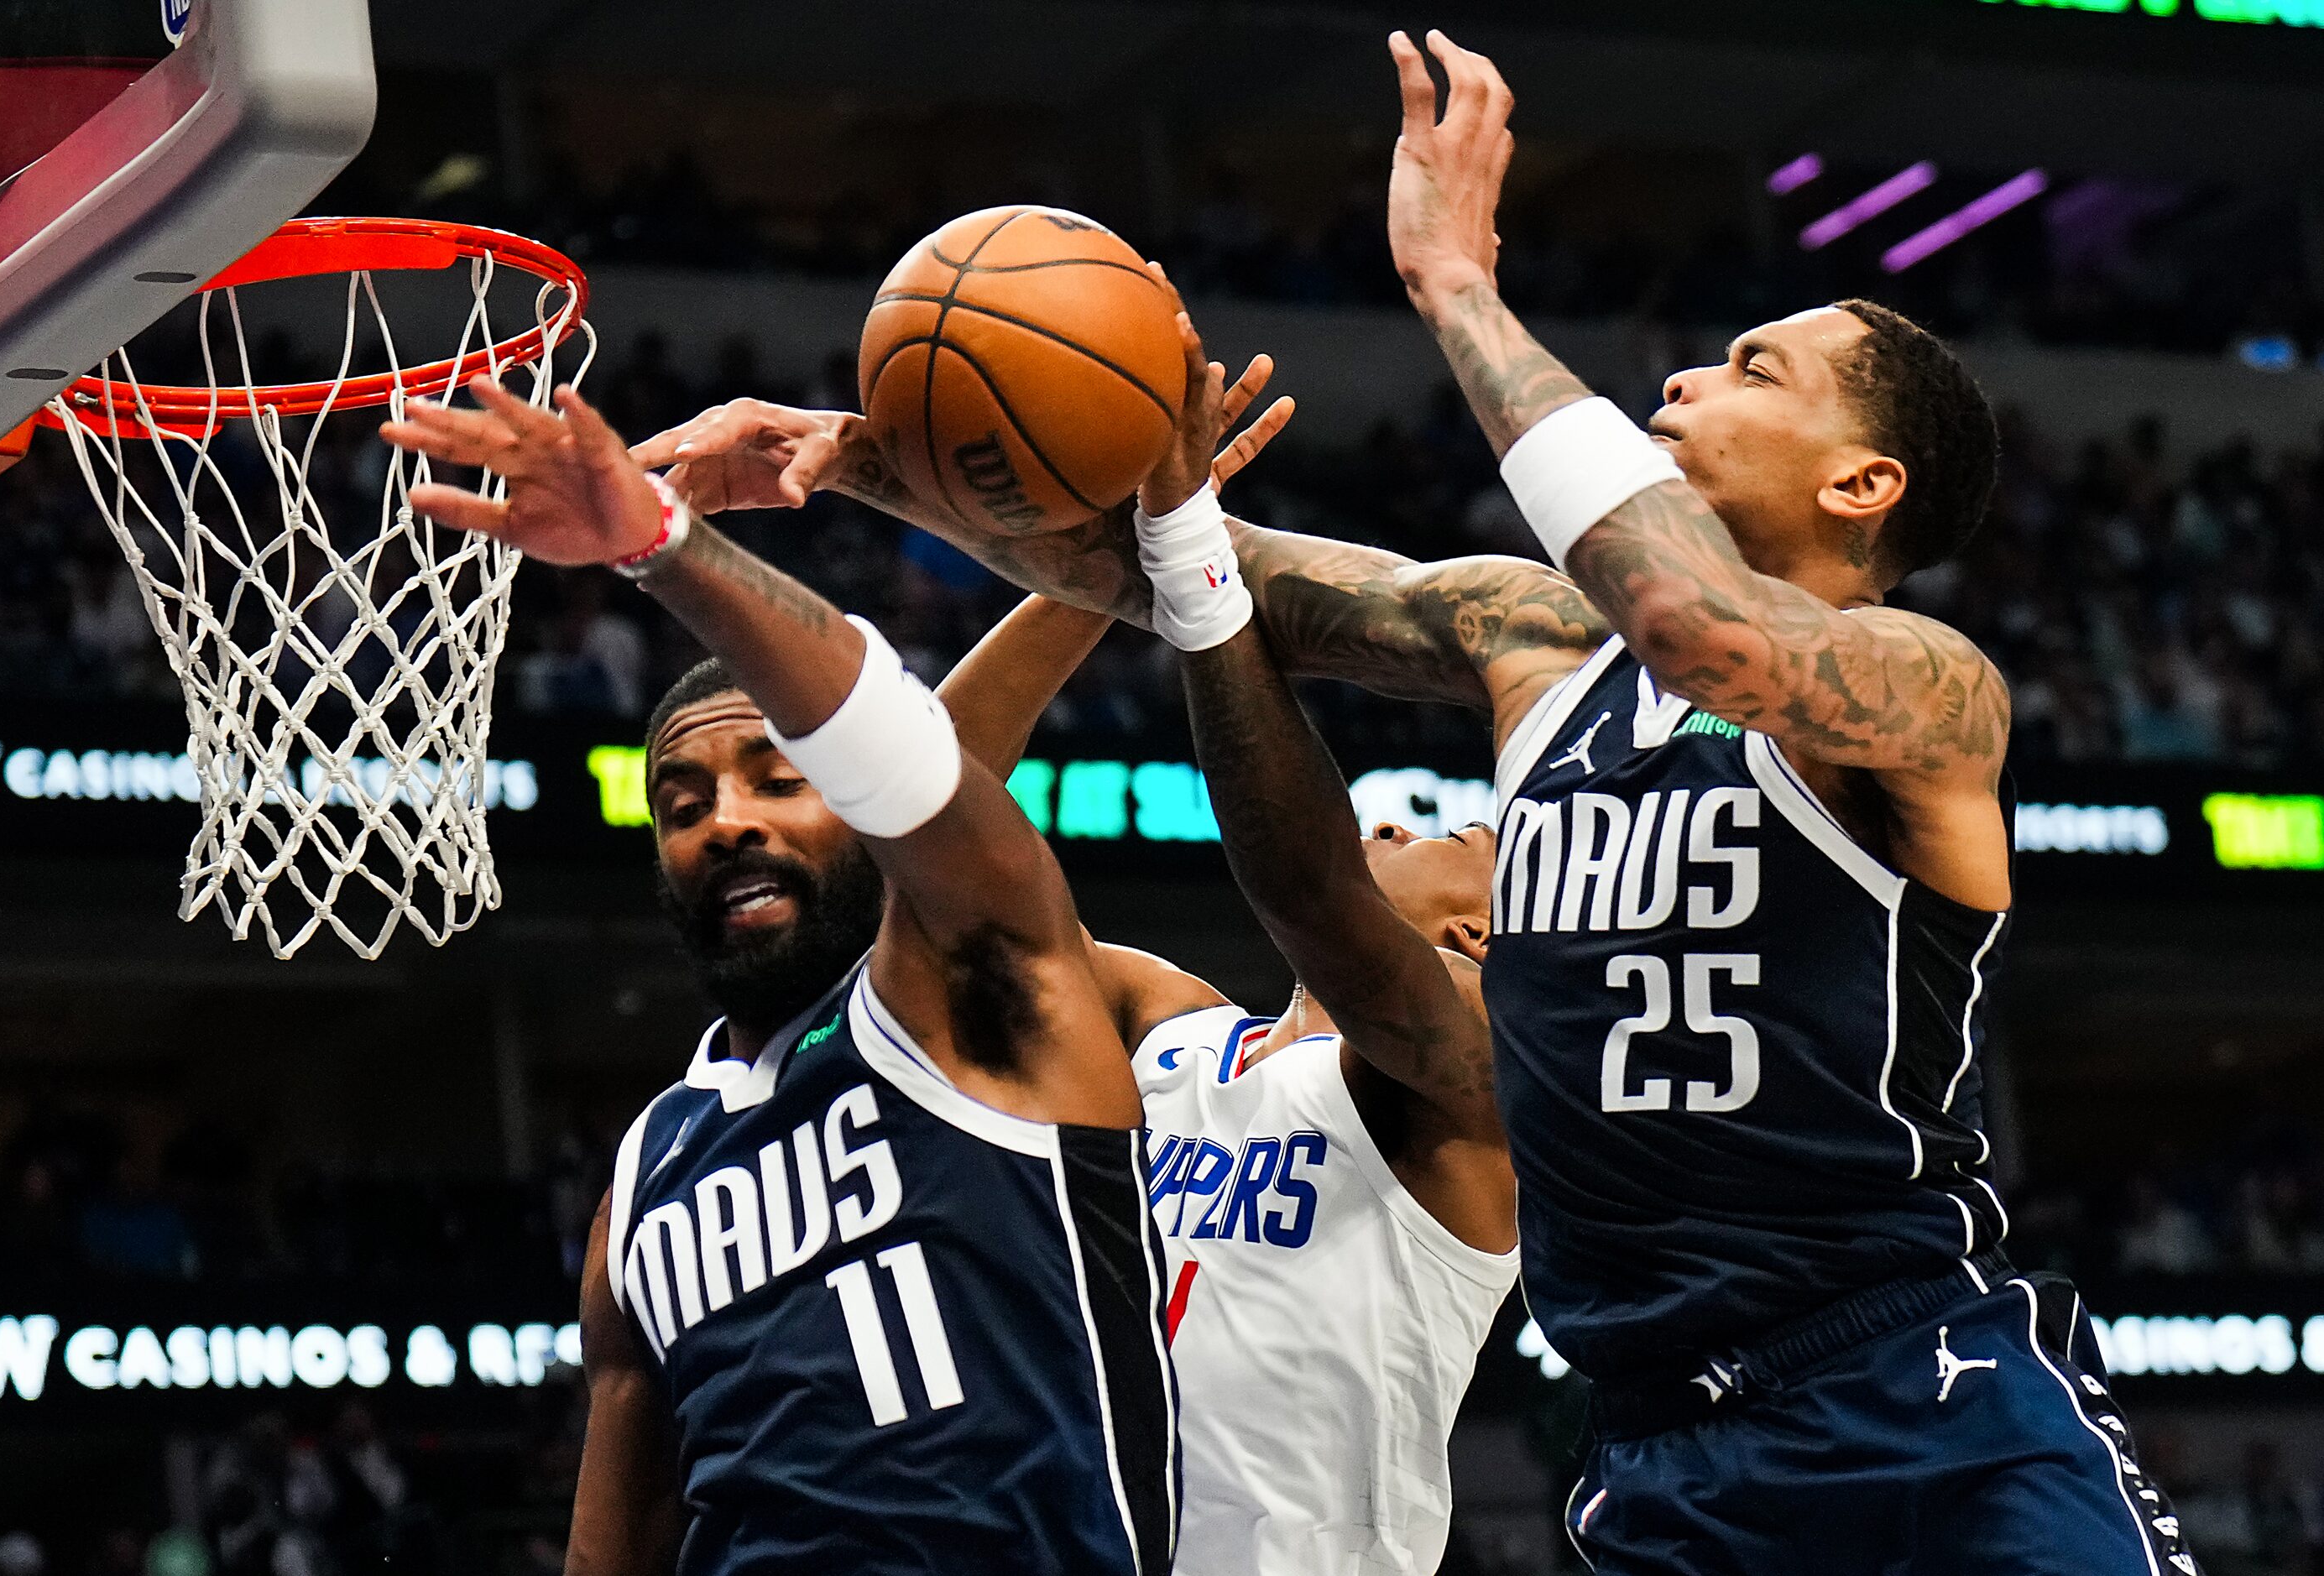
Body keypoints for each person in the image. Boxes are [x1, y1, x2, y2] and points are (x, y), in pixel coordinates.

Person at [631, 34, 2197, 1575]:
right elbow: (1181, 578)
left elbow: (1703, 631)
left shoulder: (1924, 691)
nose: (1685, 373)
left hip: (1917, 1394)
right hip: (1650, 1445)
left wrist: (1459, 283)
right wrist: (855, 463)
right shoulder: (1529, 638)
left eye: (1752, 368)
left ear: (1861, 485)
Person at [379, 378, 1184, 1576]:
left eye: (777, 776)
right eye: (683, 803)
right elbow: (622, 1541)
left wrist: (669, 547)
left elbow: (919, 770)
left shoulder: (979, 993)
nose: (725, 824)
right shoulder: (647, 1178)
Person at [927, 321, 1517, 1575]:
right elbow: (932, 835)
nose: (1406, 816)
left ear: (1475, 931)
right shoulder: (1173, 1032)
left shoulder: (1470, 1082)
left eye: (1458, 829)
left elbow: (1311, 890)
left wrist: (1185, 552)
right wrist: (1094, 567)